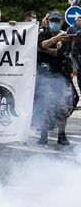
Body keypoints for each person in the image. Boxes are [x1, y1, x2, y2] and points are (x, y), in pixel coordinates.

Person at [37, 11, 76, 146]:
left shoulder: (66, 36)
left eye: (57, 21)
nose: (54, 23)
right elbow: (41, 45)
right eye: (52, 20)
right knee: (45, 106)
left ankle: (62, 134)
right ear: (48, 22)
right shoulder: (43, 34)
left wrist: (47, 49)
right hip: (45, 75)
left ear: (61, 22)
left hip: (62, 75)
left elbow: (60, 53)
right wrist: (54, 40)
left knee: (63, 107)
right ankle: (43, 134)